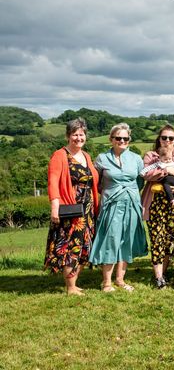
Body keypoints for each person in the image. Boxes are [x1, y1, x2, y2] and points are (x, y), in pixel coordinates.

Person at [89, 123, 148, 292]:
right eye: (118, 138)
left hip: (131, 203)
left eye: (125, 138)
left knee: (126, 240)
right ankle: (106, 282)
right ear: (111, 139)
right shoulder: (101, 158)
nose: (122, 141)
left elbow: (139, 182)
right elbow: (96, 183)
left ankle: (120, 280)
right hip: (111, 205)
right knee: (111, 239)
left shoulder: (137, 159)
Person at [44, 118, 100, 296]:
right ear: (68, 136)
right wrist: (55, 206)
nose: (78, 138)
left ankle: (74, 284)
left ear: (86, 136)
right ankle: (70, 287)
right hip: (71, 209)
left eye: (81, 134)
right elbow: (52, 182)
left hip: (88, 209)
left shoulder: (87, 156)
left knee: (84, 246)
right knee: (72, 246)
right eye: (75, 134)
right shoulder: (60, 155)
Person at [140, 125, 174, 289]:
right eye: (164, 137)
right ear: (159, 139)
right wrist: (165, 171)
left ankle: (165, 273)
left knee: (172, 239)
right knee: (157, 238)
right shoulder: (151, 156)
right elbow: (145, 174)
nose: (167, 141)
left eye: (171, 138)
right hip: (155, 203)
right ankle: (158, 277)